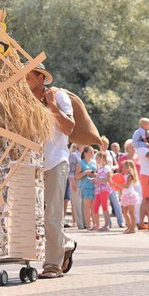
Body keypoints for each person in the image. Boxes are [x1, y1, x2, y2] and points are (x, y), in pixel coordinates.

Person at [26, 62, 76, 279]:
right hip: (31, 165)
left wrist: (52, 105)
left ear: (40, 78)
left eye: (28, 76)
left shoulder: (60, 96)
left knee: (52, 215)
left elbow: (69, 127)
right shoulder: (23, 102)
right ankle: (65, 243)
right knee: (34, 216)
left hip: (56, 161)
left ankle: (52, 265)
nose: (24, 80)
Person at [113, 160, 140, 234]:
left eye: (124, 167)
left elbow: (127, 186)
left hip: (130, 195)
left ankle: (133, 228)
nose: (122, 169)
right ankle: (129, 226)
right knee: (124, 212)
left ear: (128, 168)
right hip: (125, 195)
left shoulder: (130, 176)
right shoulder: (124, 175)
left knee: (131, 212)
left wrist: (117, 184)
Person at [75, 145, 97, 231]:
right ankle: (88, 224)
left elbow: (98, 173)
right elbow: (76, 176)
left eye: (93, 152)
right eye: (91, 152)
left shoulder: (94, 162)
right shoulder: (81, 163)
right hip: (86, 186)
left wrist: (94, 174)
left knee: (94, 206)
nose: (92, 154)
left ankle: (95, 224)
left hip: (94, 186)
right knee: (87, 207)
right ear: (85, 153)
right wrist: (85, 173)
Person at [92, 151, 112, 231]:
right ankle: (97, 225)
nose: (96, 160)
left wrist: (99, 180)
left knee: (104, 206)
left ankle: (106, 225)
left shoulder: (106, 168)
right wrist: (95, 179)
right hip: (99, 190)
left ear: (102, 158)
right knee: (95, 206)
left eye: (97, 158)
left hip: (104, 189)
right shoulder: (100, 168)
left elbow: (109, 179)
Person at [68, 144, 85, 229]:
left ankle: (85, 223)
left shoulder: (84, 155)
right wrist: (72, 183)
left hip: (83, 182)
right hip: (76, 181)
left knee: (83, 204)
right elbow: (70, 171)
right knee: (77, 204)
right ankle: (80, 224)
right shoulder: (74, 155)